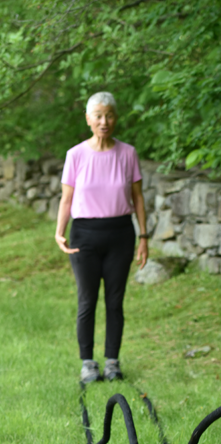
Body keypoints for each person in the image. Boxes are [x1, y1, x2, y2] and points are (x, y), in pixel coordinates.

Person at [55, 91, 149, 384]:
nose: (104, 121)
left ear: (116, 118)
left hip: (121, 233)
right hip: (84, 235)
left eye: (109, 115)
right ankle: (88, 363)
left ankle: (112, 362)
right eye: (98, 116)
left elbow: (138, 198)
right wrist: (59, 232)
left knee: (115, 301)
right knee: (87, 300)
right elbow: (66, 199)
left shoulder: (128, 153)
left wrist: (144, 236)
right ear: (88, 119)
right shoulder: (75, 155)